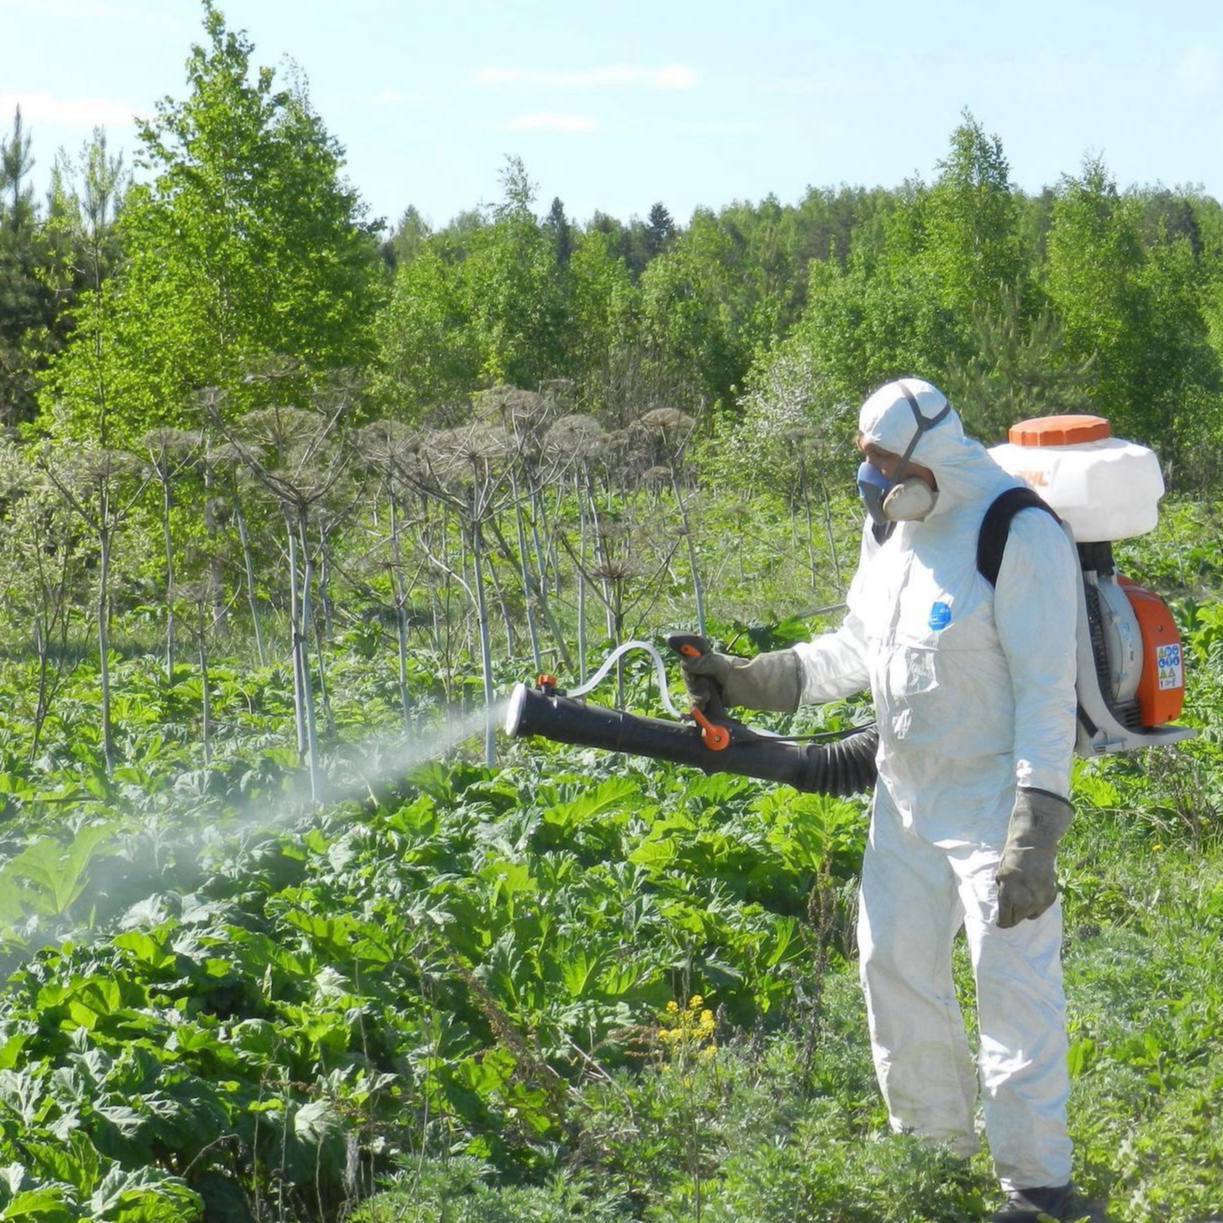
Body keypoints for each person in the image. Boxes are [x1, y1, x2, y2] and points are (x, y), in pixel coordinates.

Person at [682, 378, 1081, 1221]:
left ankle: (1039, 1185)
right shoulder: (892, 526)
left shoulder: (1017, 533)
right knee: (892, 968)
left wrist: (1035, 830)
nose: (870, 478)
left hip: (991, 804)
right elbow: (860, 646)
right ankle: (930, 1157)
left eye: (881, 461)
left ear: (930, 452)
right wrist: (759, 678)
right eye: (864, 461)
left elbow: (1049, 694)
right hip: (903, 790)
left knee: (1011, 984)